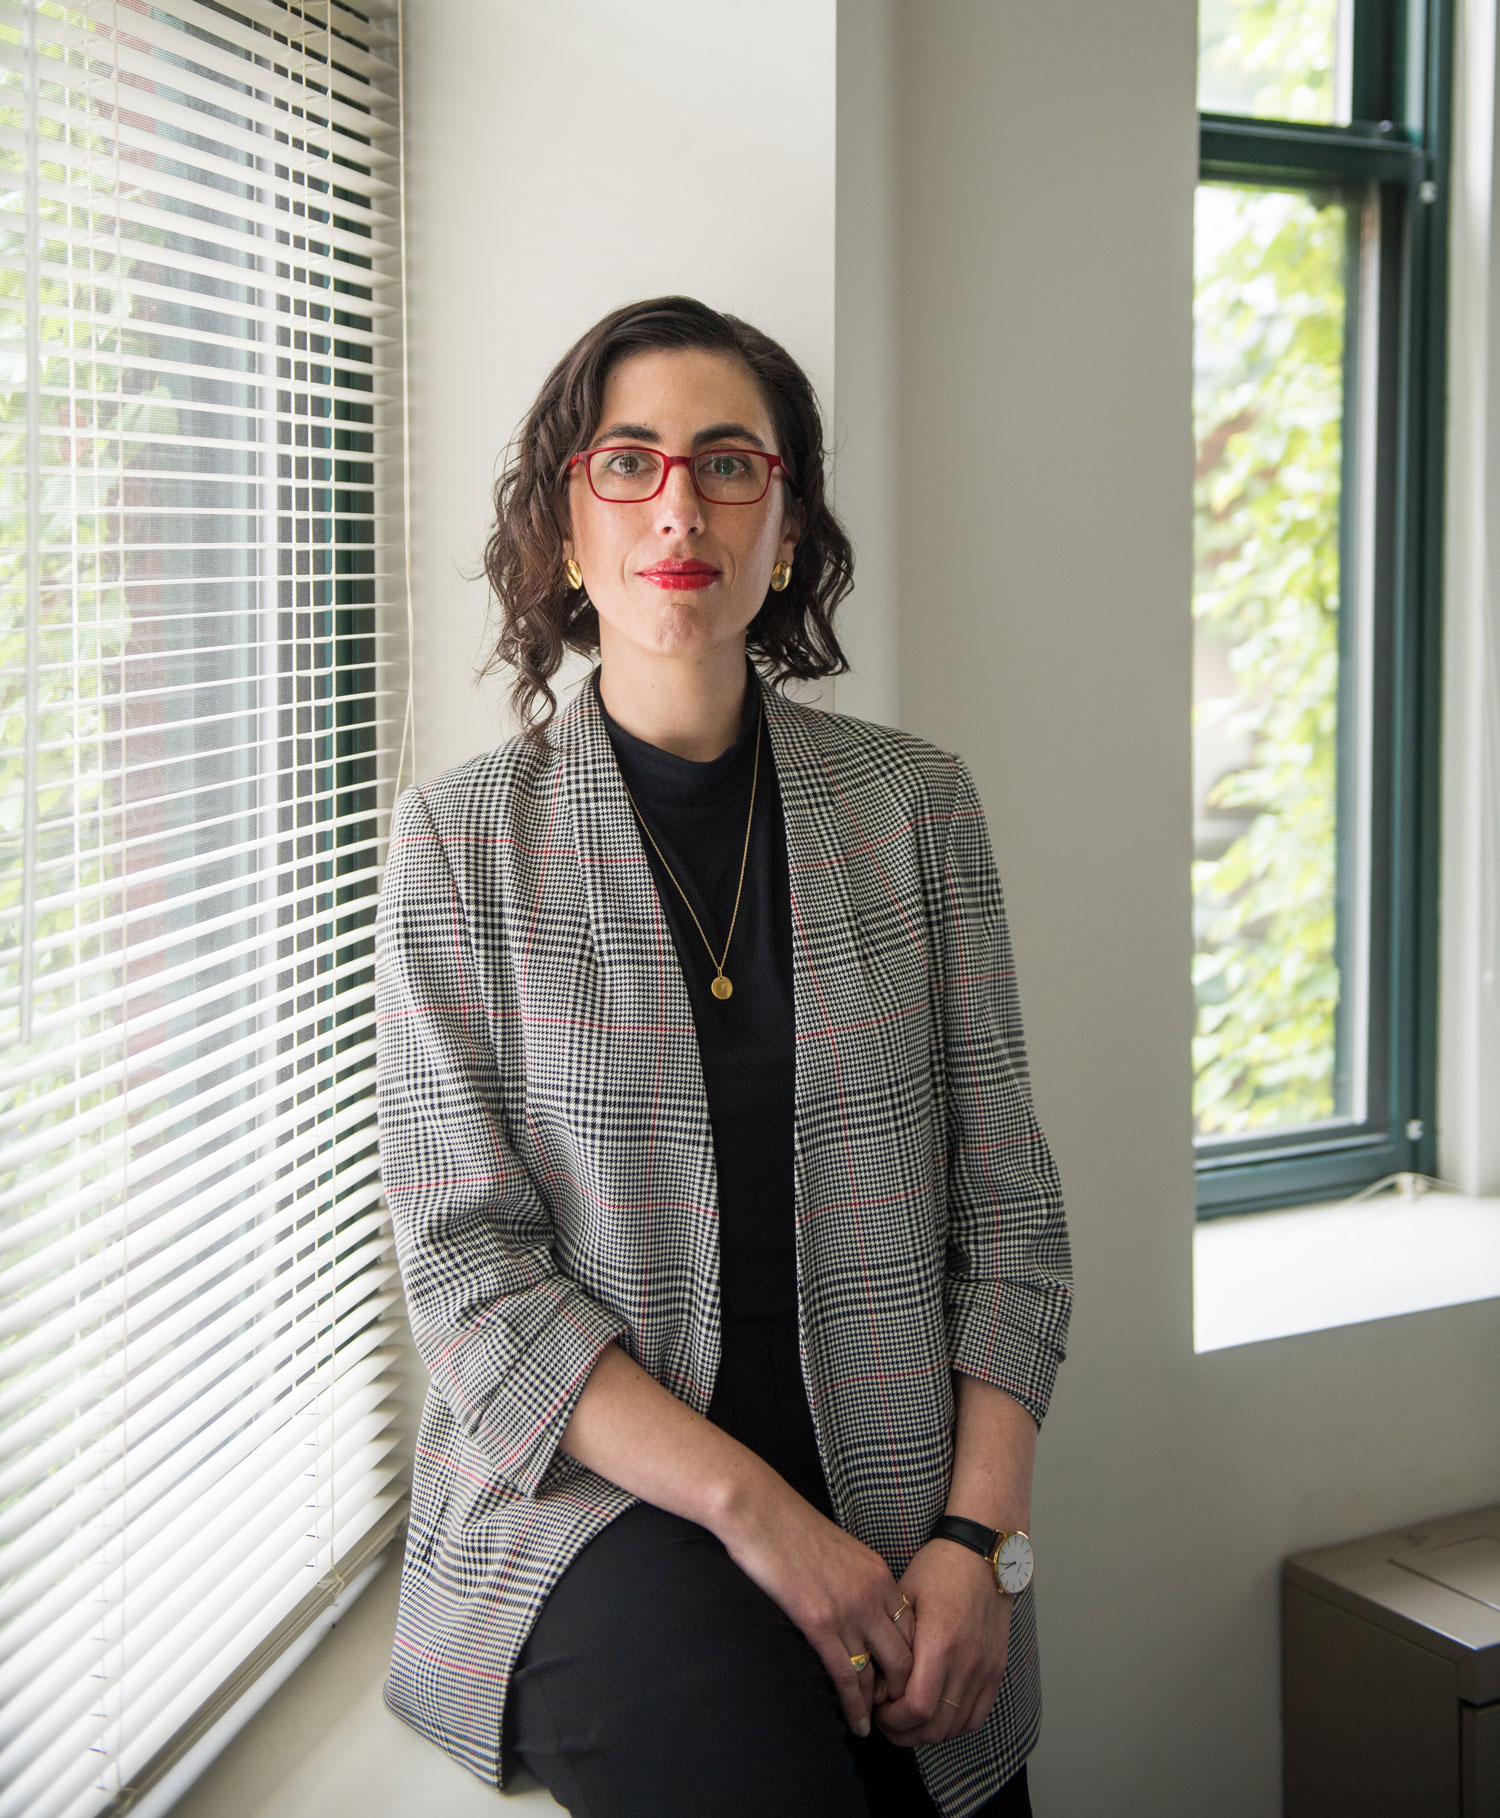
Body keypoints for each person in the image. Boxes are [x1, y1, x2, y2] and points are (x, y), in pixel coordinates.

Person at [375, 295, 1073, 1818]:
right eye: (627, 462)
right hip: (592, 1507)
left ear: (788, 522)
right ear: (567, 525)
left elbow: (1013, 1216)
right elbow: (469, 1276)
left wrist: (978, 1542)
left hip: (904, 1491)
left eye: (727, 462)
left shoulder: (917, 809)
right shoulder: (460, 842)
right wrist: (765, 1517)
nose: (678, 503)